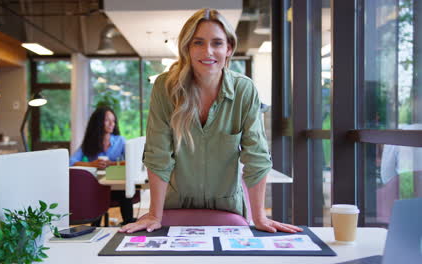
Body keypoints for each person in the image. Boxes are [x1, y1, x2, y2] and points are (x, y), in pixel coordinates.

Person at [120, 8, 302, 234]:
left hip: (227, 205)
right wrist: (154, 214)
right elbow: (158, 155)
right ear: (186, 48)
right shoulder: (165, 88)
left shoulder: (243, 90)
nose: (208, 51)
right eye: (198, 42)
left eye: (217, 43)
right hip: (175, 204)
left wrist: (260, 217)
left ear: (229, 49)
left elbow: (256, 157)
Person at [70, 106, 137, 225]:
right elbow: (71, 162)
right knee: (97, 193)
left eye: (113, 120)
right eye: (107, 120)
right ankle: (95, 228)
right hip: (97, 186)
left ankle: (128, 223)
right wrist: (91, 164)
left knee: (124, 191)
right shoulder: (89, 142)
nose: (112, 123)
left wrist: (112, 163)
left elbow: (132, 161)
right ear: (98, 122)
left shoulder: (120, 141)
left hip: (116, 187)